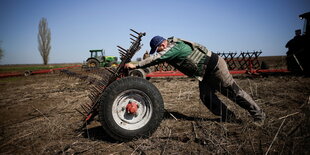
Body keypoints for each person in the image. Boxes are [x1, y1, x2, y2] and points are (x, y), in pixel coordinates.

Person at [126, 36, 266, 125]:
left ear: (163, 43)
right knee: (206, 96)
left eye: (158, 48)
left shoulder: (173, 47)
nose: (159, 51)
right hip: (204, 73)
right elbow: (158, 57)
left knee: (233, 92)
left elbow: (157, 58)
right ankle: (228, 117)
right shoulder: (170, 47)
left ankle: (259, 115)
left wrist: (136, 65)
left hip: (215, 67)